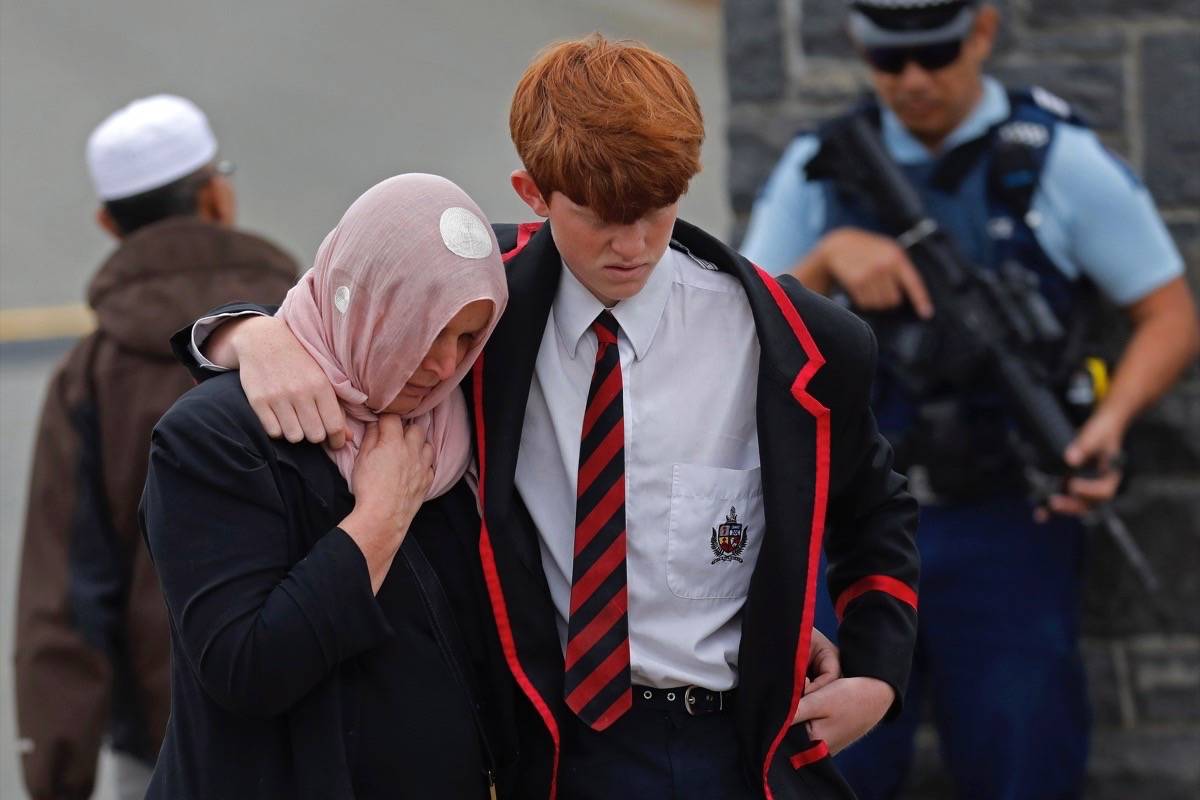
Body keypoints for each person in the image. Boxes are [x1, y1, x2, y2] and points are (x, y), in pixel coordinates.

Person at [180, 35, 919, 799]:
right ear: (532, 192)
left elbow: (878, 507)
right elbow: (347, 320)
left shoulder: (799, 341)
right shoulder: (476, 306)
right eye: (599, 216)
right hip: (546, 747)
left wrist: (877, 673)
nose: (631, 246)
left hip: (731, 746)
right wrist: (247, 334)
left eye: (657, 210)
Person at [741, 2, 1200, 798]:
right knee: (828, 767)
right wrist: (824, 260)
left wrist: (1108, 424)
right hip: (850, 524)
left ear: (982, 31)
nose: (914, 79)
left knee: (1021, 757)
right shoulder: (824, 163)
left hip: (1005, 522)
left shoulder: (1051, 158)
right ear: (859, 46)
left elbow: (1167, 313)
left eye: (937, 52)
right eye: (891, 61)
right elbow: (740, 324)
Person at [139, 173, 521, 799]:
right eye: (425, 326)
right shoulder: (216, 437)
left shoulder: (458, 428)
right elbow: (247, 667)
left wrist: (239, 328)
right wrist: (378, 521)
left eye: (468, 337)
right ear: (365, 302)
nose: (447, 364)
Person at [13, 94, 297, 800]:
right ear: (218, 196)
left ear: (109, 223)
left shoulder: (90, 375)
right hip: (320, 719)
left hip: (164, 746)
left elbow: (67, 597)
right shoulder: (307, 324)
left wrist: (58, 773)